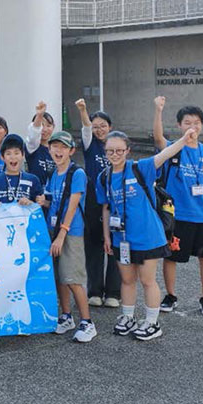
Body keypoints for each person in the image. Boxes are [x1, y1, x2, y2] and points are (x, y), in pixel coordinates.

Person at [99, 128, 197, 341]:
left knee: (147, 280)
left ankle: (152, 322)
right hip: (121, 238)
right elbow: (106, 208)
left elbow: (165, 154)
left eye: (119, 150)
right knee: (127, 280)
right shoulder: (104, 176)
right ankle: (128, 317)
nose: (115, 155)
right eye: (110, 151)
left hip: (148, 237)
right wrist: (107, 237)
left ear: (128, 150)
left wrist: (183, 139)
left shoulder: (140, 168)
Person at [152, 97, 203, 317]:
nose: (192, 126)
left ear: (202, 125)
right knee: (171, 257)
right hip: (176, 216)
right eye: (187, 123)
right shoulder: (174, 149)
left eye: (196, 122)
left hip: (202, 215)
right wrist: (158, 110)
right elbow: (158, 138)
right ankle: (171, 295)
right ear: (179, 125)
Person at [44, 131, 95, 343]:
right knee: (60, 277)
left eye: (63, 147)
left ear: (71, 151)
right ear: (49, 149)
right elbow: (53, 202)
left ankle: (87, 322)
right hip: (54, 230)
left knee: (73, 278)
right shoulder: (53, 173)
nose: (58, 151)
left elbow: (73, 205)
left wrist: (62, 234)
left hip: (70, 232)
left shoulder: (77, 173)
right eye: (55, 146)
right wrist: (41, 201)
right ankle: (66, 316)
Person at [75, 98, 120, 309]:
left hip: (116, 198)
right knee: (94, 245)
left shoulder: (117, 146)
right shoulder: (90, 145)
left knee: (116, 244)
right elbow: (85, 128)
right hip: (93, 199)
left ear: (110, 127)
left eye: (103, 126)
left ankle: (113, 292)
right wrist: (83, 110)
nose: (99, 130)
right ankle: (94, 291)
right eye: (96, 126)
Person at [0, 133, 45, 208]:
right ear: (2, 157)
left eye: (16, 153)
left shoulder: (33, 180)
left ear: (23, 155)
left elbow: (39, 207)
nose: (13, 157)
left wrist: (30, 203)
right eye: (8, 153)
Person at [24, 101, 57, 188]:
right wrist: (39, 115)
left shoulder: (56, 150)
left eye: (48, 126)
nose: (45, 129)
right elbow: (34, 136)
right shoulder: (32, 147)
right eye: (41, 125)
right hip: (35, 191)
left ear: (53, 127)